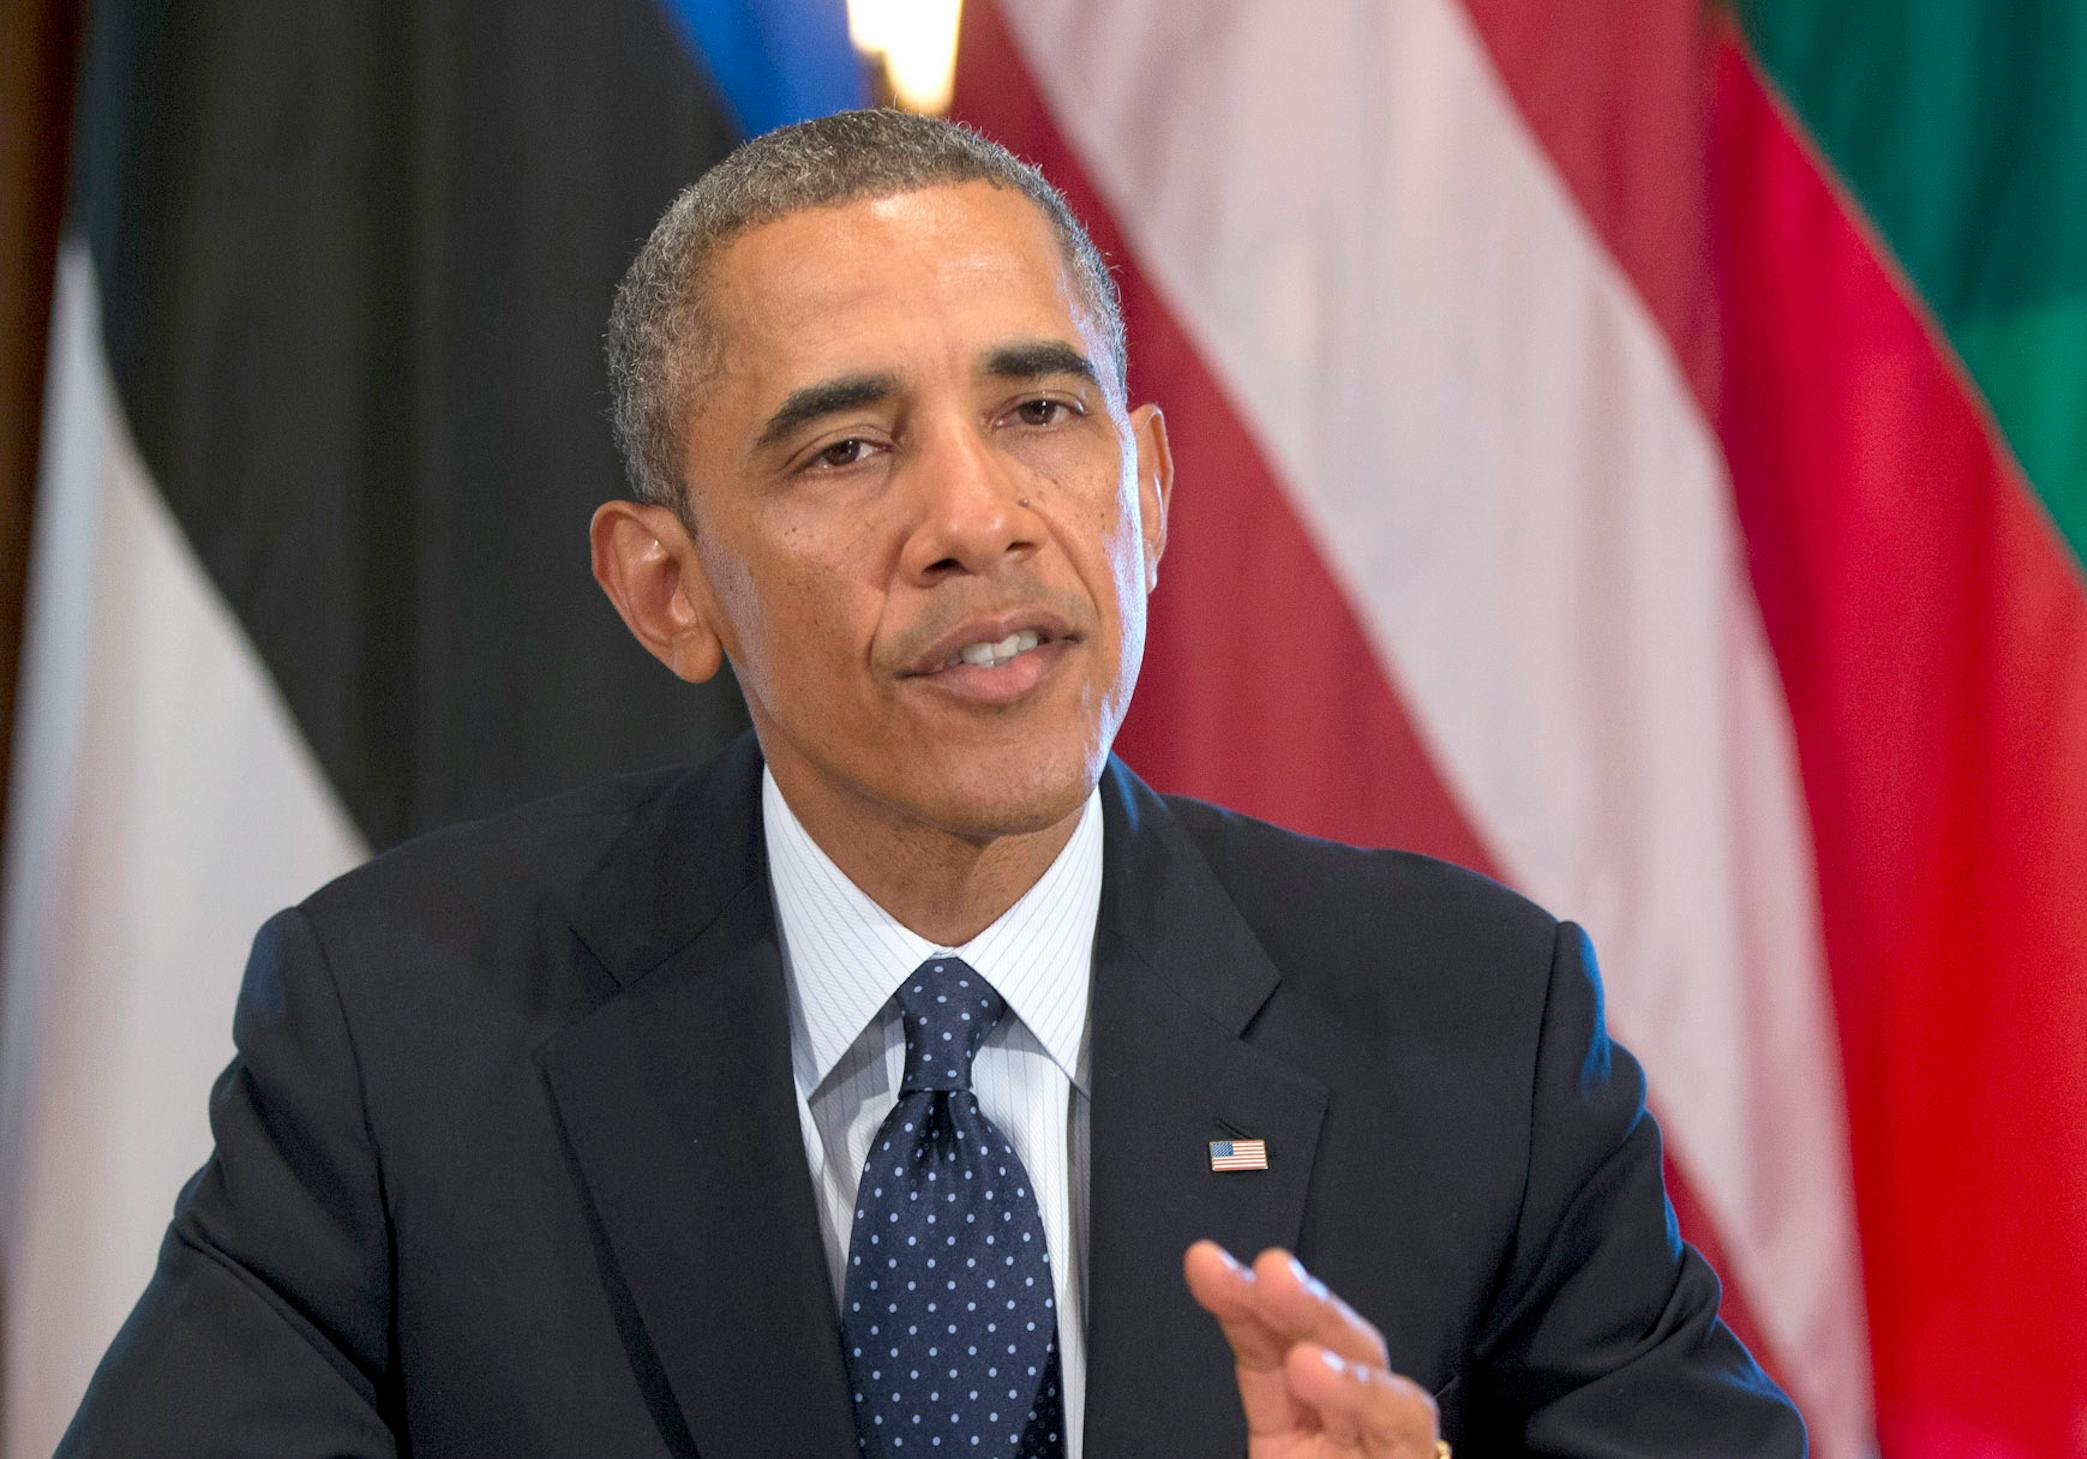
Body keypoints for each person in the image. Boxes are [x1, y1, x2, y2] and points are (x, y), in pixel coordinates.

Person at [59, 110, 1803, 1458]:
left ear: (1151, 497)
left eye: (1041, 413)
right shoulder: (395, 1034)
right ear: (667, 590)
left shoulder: (1475, 1031)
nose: (978, 521)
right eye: (847, 447)